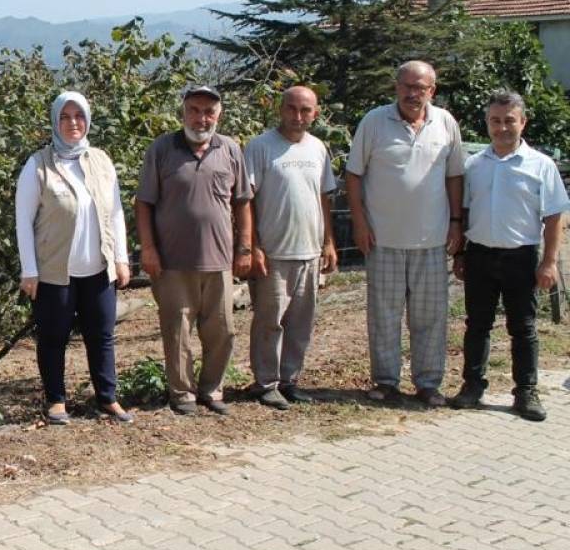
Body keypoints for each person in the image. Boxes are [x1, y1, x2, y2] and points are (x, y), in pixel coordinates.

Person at [346, 60, 464, 407]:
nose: (413, 93)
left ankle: (428, 383)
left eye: (421, 88)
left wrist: (456, 222)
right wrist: (359, 222)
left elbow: (454, 175)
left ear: (432, 91)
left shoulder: (445, 123)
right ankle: (386, 382)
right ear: (396, 87)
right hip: (382, 239)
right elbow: (354, 175)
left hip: (431, 240)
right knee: (383, 317)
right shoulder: (374, 121)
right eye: (407, 86)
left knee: (430, 317)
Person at [15, 91, 133, 424]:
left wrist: (121, 259)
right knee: (53, 338)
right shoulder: (38, 165)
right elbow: (23, 220)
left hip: (98, 268)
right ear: (55, 121)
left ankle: (107, 398)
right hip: (54, 272)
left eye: (78, 116)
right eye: (65, 117)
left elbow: (116, 213)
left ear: (87, 119)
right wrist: (29, 270)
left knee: (102, 335)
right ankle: (56, 401)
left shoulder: (100, 160)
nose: (72, 124)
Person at [135, 86, 254, 416]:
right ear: (183, 111)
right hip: (172, 262)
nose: (201, 118)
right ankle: (182, 394)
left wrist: (244, 247)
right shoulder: (161, 148)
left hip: (219, 261)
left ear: (219, 115)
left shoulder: (229, 149)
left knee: (223, 330)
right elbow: (143, 203)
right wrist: (149, 249)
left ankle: (212, 390)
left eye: (209, 112)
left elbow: (243, 201)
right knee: (178, 330)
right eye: (194, 110)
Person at [452, 91, 569, 421]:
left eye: (509, 121)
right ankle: (472, 386)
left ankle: (526, 392)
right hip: (480, 256)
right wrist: (460, 254)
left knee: (523, 327)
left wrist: (548, 262)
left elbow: (554, 217)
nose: (502, 128)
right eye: (495, 121)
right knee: (477, 325)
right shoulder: (474, 165)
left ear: (523, 122)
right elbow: (464, 210)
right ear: (487, 123)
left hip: (521, 258)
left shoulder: (541, 165)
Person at [245, 86, 338, 410]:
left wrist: (328, 242)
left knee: (301, 322)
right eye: (292, 108)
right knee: (269, 322)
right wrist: (252, 246)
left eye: (305, 110)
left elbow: (323, 197)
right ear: (280, 109)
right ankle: (265, 383)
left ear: (316, 113)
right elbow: (247, 201)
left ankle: (290, 380)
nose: (298, 116)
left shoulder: (318, 148)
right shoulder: (259, 146)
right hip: (273, 253)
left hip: (310, 251)